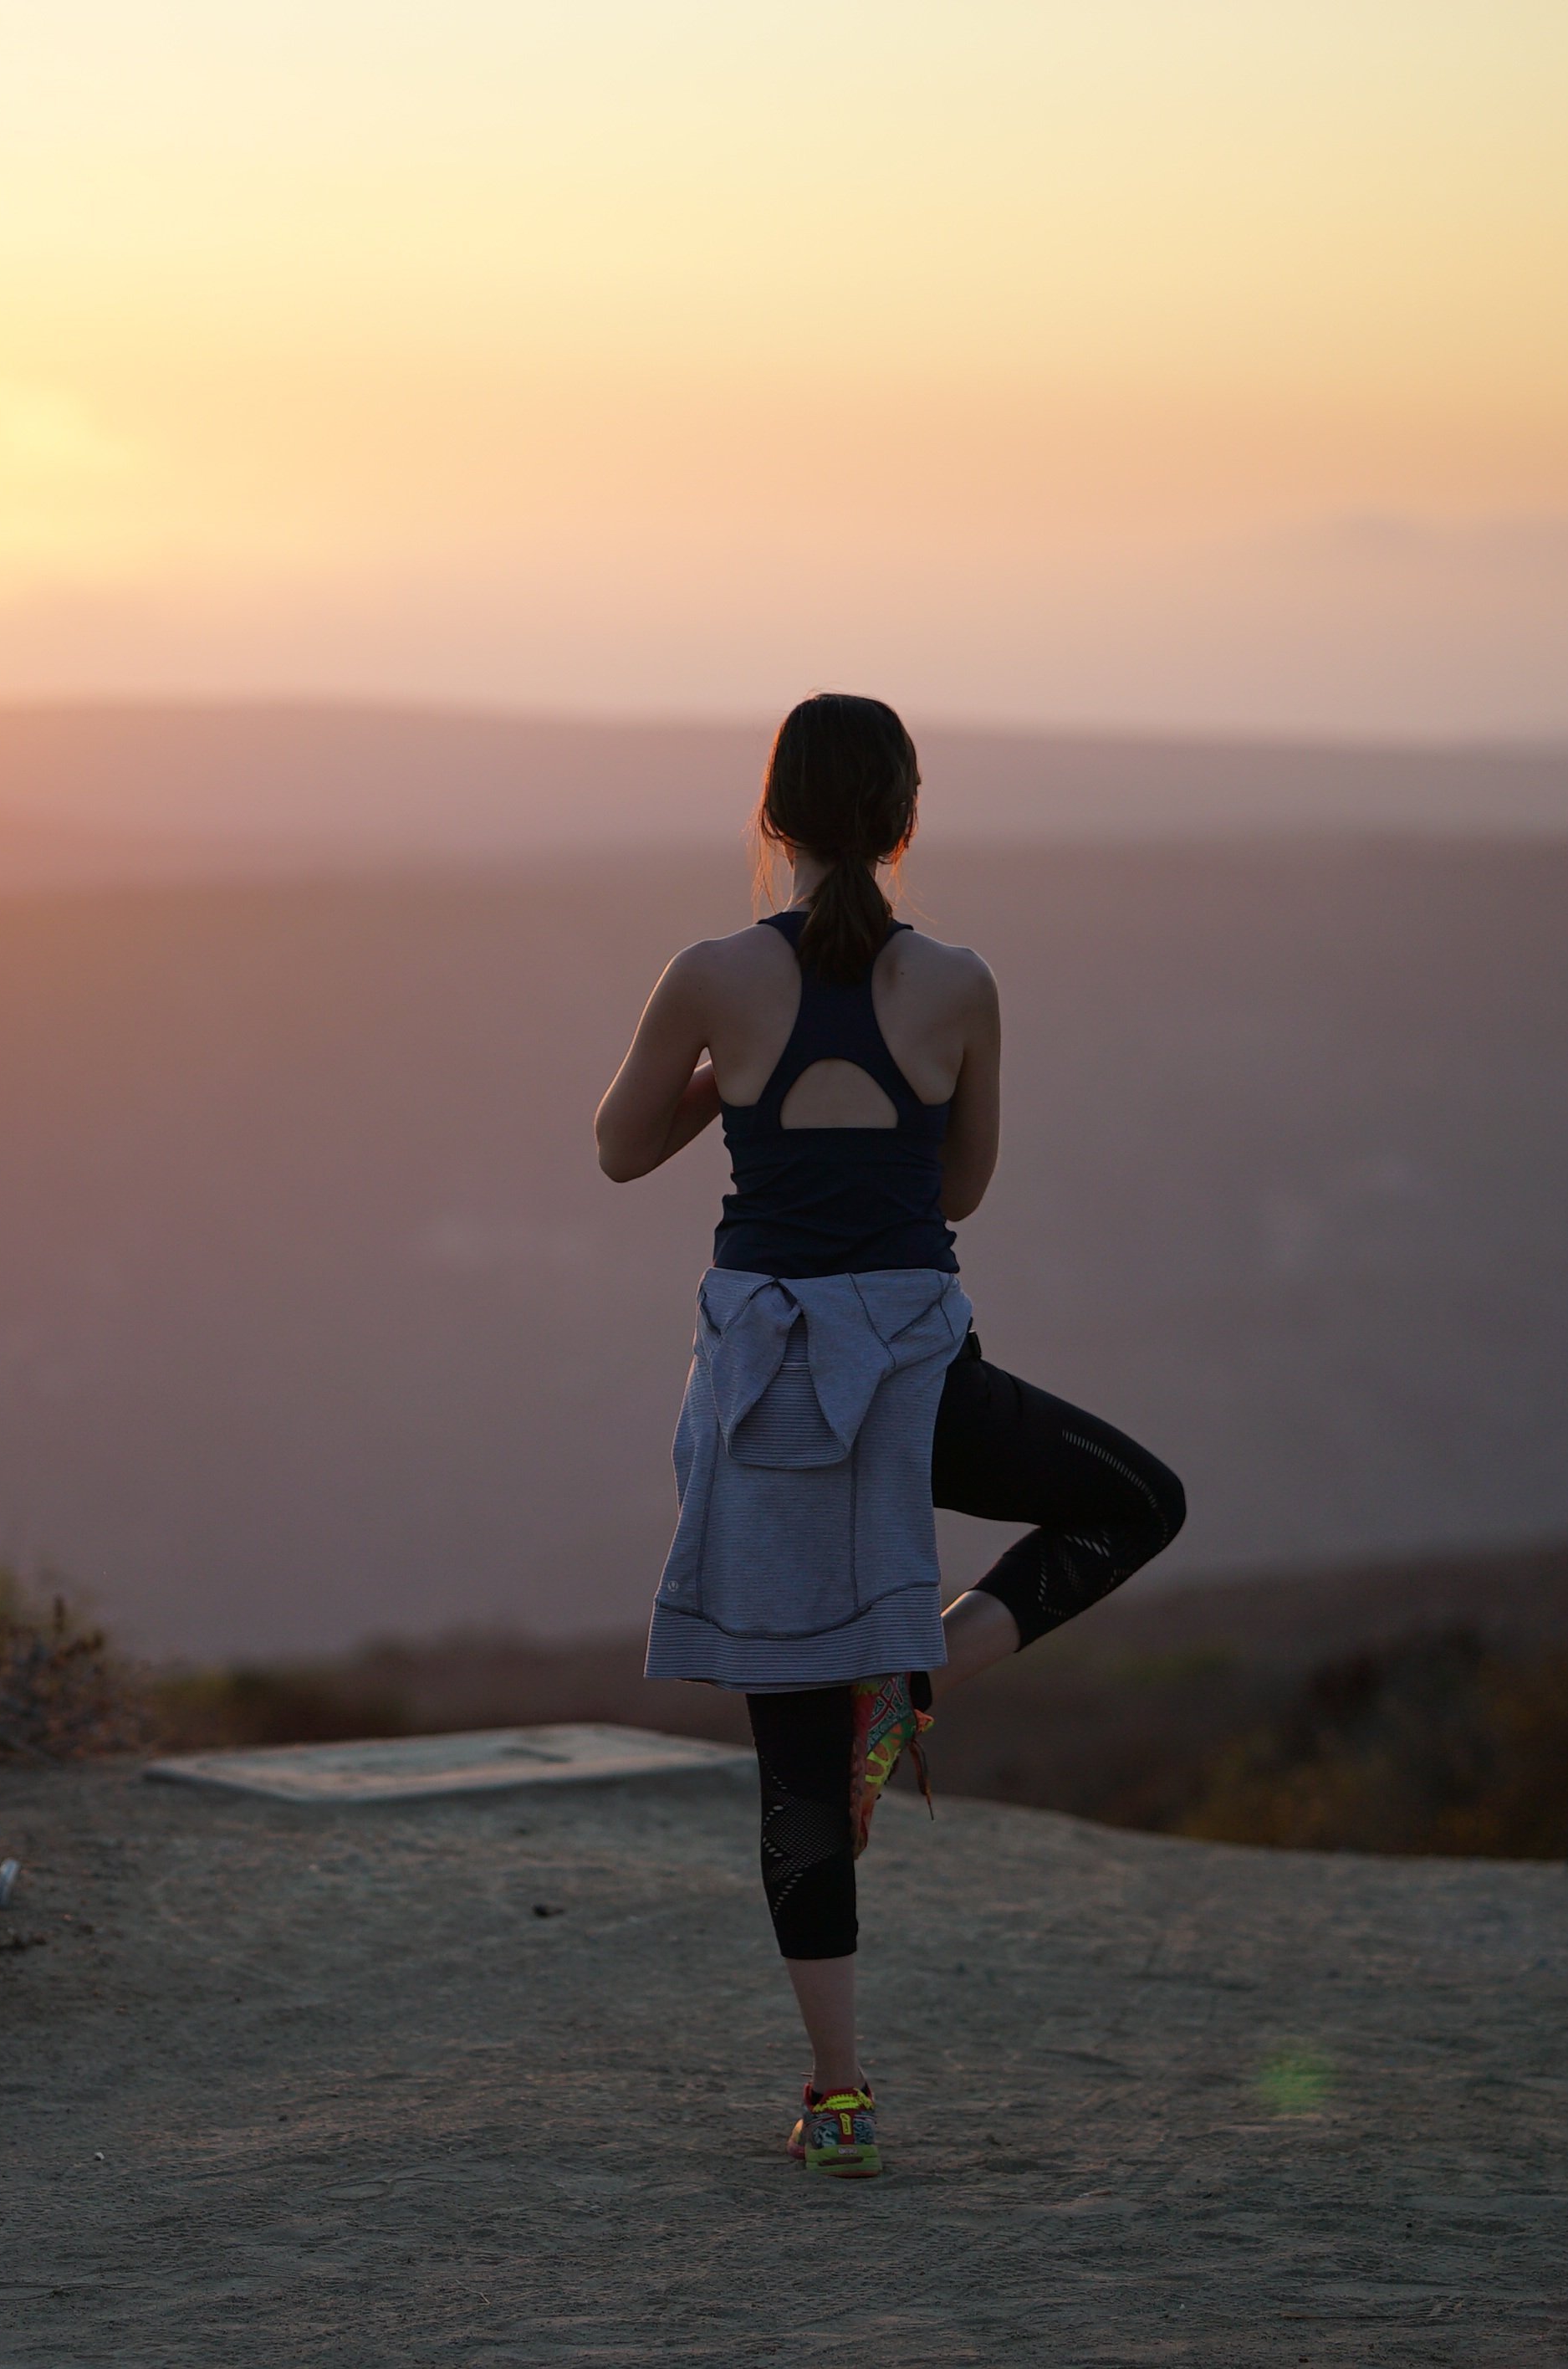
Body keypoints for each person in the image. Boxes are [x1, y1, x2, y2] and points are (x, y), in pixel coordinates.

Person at [592, 691, 1185, 2179]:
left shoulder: (712, 973)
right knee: (1133, 1502)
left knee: (792, 1754)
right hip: (917, 1382)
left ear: (773, 818)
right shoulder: (964, 983)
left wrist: (735, 1081)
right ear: (908, 817)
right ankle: (926, 1668)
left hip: (769, 1399)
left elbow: (616, 1147)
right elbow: (961, 1192)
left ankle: (840, 2097)